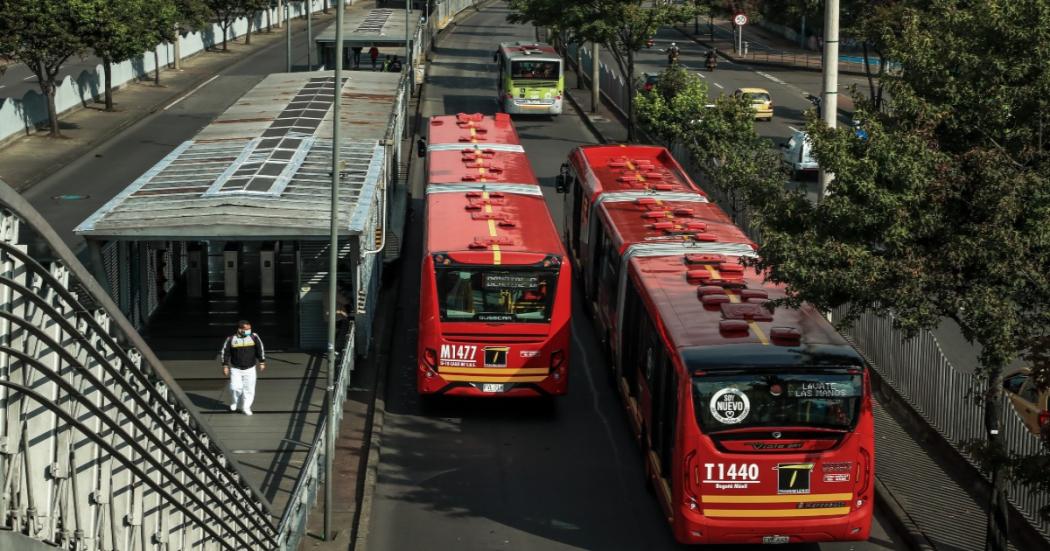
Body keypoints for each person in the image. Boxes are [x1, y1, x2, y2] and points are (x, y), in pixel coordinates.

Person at [220, 320, 266, 416]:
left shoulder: (254, 337)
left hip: (250, 368)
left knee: (249, 389)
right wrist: (225, 366)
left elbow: (260, 348)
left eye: (250, 328)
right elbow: (225, 352)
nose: (249, 330)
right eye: (246, 329)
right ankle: (234, 401)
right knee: (235, 388)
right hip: (236, 369)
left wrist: (262, 361)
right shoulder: (231, 339)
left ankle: (246, 407)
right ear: (240, 329)